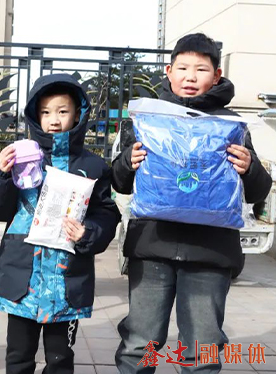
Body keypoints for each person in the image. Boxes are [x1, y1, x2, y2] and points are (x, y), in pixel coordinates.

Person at [113, 33, 273, 373]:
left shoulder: (231, 125)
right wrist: (128, 161)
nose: (190, 76)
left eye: (201, 69)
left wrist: (250, 168)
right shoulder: (149, 119)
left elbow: (259, 192)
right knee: (140, 345)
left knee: (202, 349)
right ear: (169, 71)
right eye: (183, 68)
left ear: (216, 75)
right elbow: (119, 182)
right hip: (152, 248)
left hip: (210, 254)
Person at [0, 74, 121, 374]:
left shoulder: (93, 166)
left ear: (78, 114)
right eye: (46, 112)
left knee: (60, 359)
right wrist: (0, 174)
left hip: (67, 283)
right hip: (22, 279)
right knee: (18, 356)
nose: (54, 120)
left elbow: (106, 213)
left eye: (62, 111)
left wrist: (88, 233)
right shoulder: (22, 158)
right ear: (35, 116)